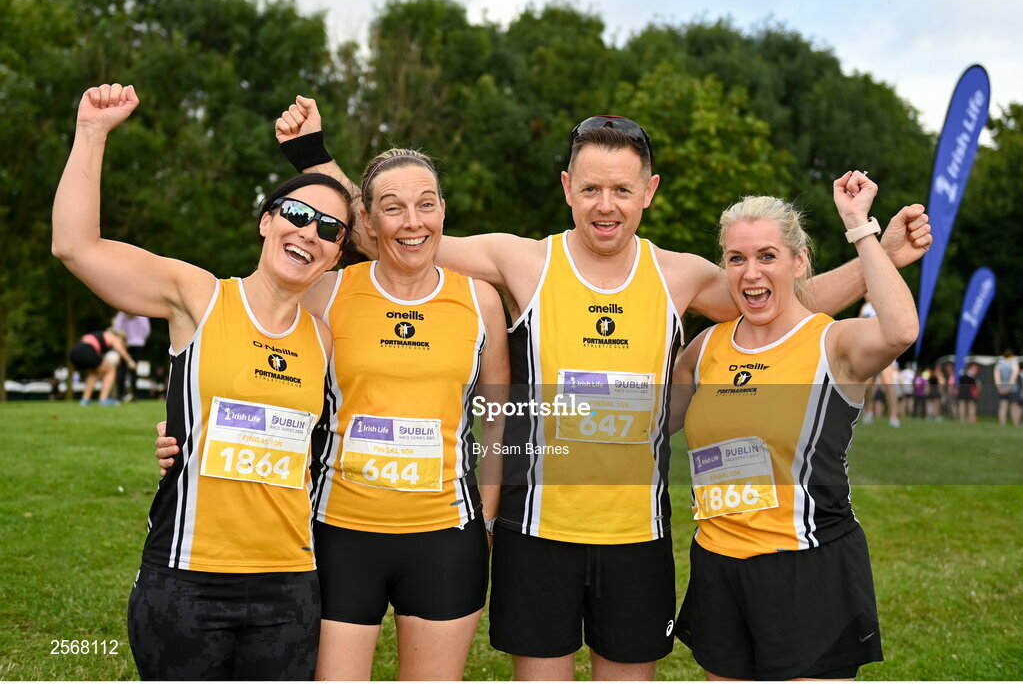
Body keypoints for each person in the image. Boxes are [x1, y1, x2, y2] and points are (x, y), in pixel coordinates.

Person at [267, 98, 932, 680]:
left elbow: (781, 300)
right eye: (590, 189)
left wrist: (874, 265)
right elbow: (403, 231)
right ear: (566, 188)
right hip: (535, 535)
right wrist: (316, 158)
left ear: (649, 190)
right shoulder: (522, 261)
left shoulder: (679, 276)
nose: (605, 205)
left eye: (620, 189)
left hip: (635, 539)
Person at [158, 144, 509, 679]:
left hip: (445, 536)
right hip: (339, 532)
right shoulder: (326, 291)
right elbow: (253, 360)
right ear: (366, 221)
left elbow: (497, 413)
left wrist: (485, 512)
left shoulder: (481, 301)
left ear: (443, 210)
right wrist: (185, 429)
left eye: (427, 203)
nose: (412, 222)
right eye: (392, 207)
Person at [53, 83, 350, 680]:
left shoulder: (326, 335)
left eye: (330, 229)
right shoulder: (200, 297)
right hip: (186, 580)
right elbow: (76, 246)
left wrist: (314, 150)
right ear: (267, 222)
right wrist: (91, 134)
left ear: (339, 253)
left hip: (289, 587)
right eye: (295, 214)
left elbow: (398, 235)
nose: (309, 232)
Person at [671, 174, 919, 680]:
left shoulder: (833, 344)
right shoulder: (706, 348)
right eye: (736, 259)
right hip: (718, 563)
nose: (750, 272)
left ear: (799, 261)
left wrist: (859, 226)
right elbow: (646, 426)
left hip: (806, 567)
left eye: (767, 256)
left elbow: (900, 330)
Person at [70, 327, 136, 405]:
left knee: (94, 372)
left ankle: (85, 400)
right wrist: (130, 361)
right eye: (122, 342)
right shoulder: (113, 336)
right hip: (87, 350)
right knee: (111, 369)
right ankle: (103, 399)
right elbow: (119, 348)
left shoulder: (100, 335)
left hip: (74, 352)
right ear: (120, 337)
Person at [112, 310, 151, 401]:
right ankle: (120, 395)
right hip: (124, 345)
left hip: (137, 344)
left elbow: (146, 330)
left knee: (134, 370)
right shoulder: (121, 315)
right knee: (122, 370)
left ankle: (135, 395)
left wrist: (140, 339)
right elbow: (116, 329)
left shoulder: (142, 315)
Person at [995, 349, 1020, 427]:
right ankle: (1016, 424)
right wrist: (1009, 388)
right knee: (1014, 407)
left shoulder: (999, 365)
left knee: (1003, 406)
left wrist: (999, 387)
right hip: (1013, 388)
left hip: (1002, 387)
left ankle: (1002, 424)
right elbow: (1014, 377)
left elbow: (997, 377)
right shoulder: (1014, 364)